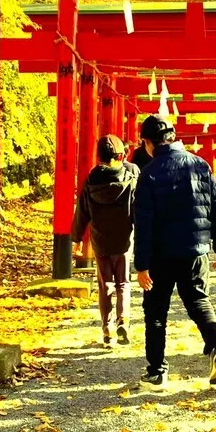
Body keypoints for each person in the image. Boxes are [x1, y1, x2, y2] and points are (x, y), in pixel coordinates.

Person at [134, 115, 216, 388]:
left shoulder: (149, 174)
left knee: (155, 313)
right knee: (199, 303)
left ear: (148, 143)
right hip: (195, 252)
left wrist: (141, 265)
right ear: (173, 137)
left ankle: (156, 371)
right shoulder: (201, 165)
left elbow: (143, 224)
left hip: (160, 255)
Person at [72, 134, 139, 347]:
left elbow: (82, 210)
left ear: (99, 156)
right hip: (124, 239)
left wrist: (76, 238)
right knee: (123, 283)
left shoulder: (92, 178)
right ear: (120, 155)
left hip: (100, 240)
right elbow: (138, 210)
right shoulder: (130, 177)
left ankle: (107, 329)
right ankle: (124, 320)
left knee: (105, 285)